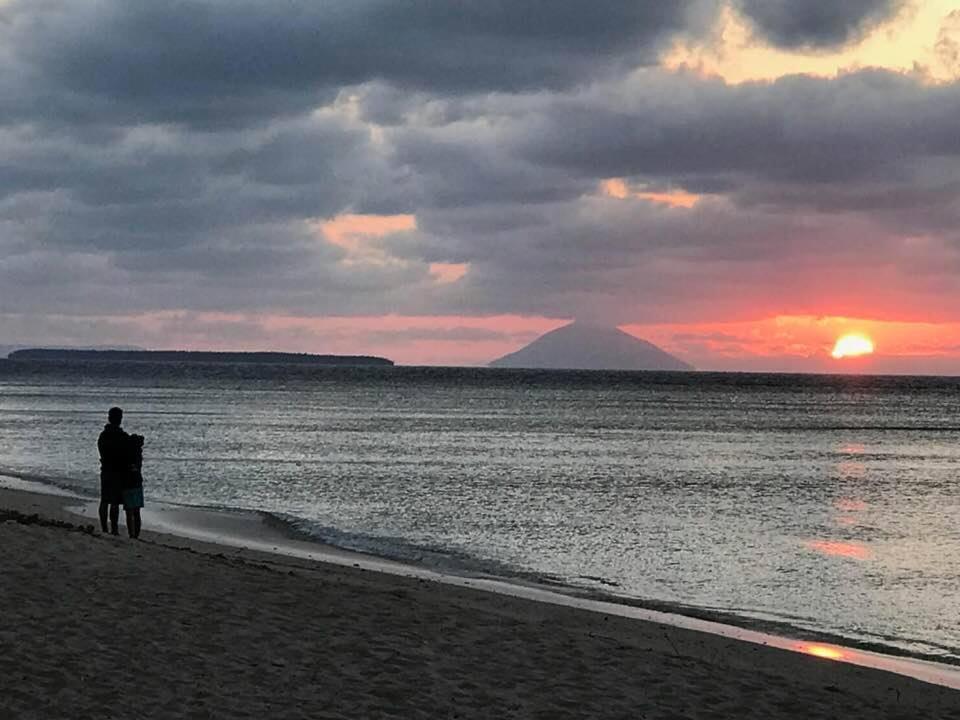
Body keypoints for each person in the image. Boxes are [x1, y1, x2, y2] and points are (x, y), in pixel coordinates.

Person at [97, 407, 128, 535]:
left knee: (105, 499)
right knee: (113, 501)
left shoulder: (104, 435)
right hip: (116, 471)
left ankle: (105, 527)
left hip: (106, 469)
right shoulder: (120, 436)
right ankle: (113, 528)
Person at [123, 434, 145, 539]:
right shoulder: (138, 455)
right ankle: (136, 534)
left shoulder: (127, 455)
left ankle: (131, 534)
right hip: (136, 483)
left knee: (129, 511)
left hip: (128, 483)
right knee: (136, 511)